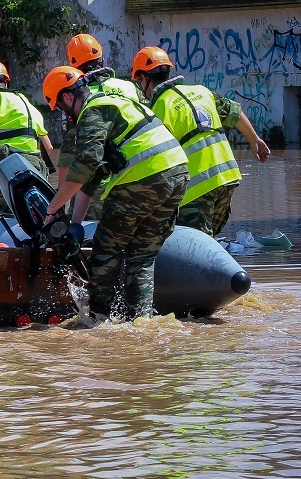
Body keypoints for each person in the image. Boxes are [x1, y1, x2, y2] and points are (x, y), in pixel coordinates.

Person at [41, 65, 189, 321]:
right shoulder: (118, 102)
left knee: (106, 248)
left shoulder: (93, 111)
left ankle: (97, 318)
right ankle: (140, 321)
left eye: (61, 108)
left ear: (67, 97)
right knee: (142, 255)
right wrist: (75, 223)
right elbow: (94, 174)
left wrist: (52, 209)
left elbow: (85, 164)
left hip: (145, 177)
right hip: (177, 174)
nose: (64, 115)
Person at [130, 46, 271, 237]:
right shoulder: (201, 92)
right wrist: (255, 140)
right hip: (228, 178)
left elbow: (154, 161)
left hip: (197, 188)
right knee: (208, 239)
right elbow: (235, 113)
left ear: (143, 78)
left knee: (194, 244)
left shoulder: (157, 108)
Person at [57, 33, 142, 222]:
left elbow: (68, 156)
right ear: (102, 61)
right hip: (134, 179)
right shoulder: (129, 87)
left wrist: (58, 206)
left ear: (73, 68)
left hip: (92, 190)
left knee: (84, 235)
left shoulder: (79, 97)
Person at [0, 59, 53, 216]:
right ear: (5, 83)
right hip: (33, 177)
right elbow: (49, 147)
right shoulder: (28, 105)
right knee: (24, 218)